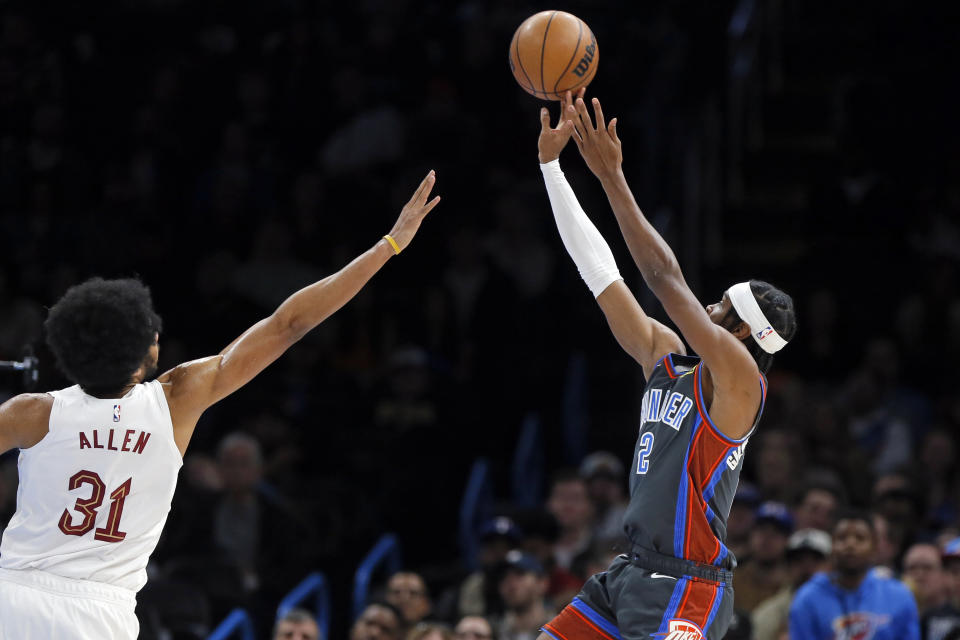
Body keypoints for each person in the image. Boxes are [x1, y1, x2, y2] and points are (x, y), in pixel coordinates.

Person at [0, 171, 441, 639]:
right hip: (101, 614)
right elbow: (287, 325)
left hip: (15, 598)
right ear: (141, 351)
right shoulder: (176, 400)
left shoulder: (33, 411)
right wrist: (387, 246)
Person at [534, 91, 796, 640]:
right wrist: (553, 170)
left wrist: (611, 177)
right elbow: (600, 274)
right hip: (628, 572)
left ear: (743, 331)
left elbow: (664, 278)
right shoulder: (667, 361)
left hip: (688, 586)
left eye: (721, 305)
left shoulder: (741, 379)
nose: (707, 306)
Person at [789, 510, 920, 639]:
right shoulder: (807, 599)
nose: (850, 545)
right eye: (841, 538)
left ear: (874, 547)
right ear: (831, 546)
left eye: (860, 538)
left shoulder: (899, 595)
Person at [751, 528, 831, 640]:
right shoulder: (768, 614)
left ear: (831, 565)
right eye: (798, 560)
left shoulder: (848, 603)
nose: (806, 567)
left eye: (815, 560)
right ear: (788, 567)